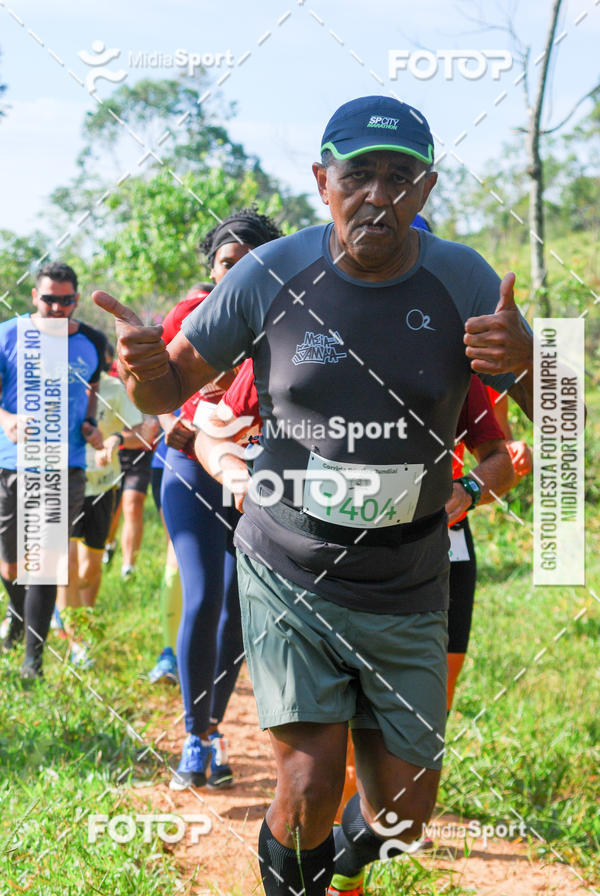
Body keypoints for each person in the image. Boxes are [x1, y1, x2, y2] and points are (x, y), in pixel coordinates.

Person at [96, 95, 534, 896]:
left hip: (409, 575)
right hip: (288, 561)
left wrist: (532, 361)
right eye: (358, 175)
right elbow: (166, 393)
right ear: (322, 181)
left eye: (400, 178)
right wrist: (143, 369)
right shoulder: (269, 274)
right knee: (307, 786)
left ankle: (334, 865)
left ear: (427, 188)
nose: (379, 196)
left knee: (403, 817)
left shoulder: (464, 278)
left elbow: (562, 424)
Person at [155, 212, 283, 790]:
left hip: (253, 477)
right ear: (212, 268)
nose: (237, 273)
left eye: (250, 262)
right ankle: (194, 735)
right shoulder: (189, 314)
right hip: (191, 468)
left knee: (238, 607)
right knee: (204, 596)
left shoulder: (287, 321)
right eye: (227, 263)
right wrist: (171, 422)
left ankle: (213, 726)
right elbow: (155, 388)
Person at [0, 261, 105, 679]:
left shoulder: (92, 341)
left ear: (76, 299)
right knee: (11, 567)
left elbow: (93, 388)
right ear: (34, 297)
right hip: (12, 463)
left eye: (66, 300)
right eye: (49, 299)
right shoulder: (8, 335)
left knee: (43, 564)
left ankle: (33, 663)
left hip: (65, 466)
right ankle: (18, 615)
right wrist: (7, 418)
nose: (58, 308)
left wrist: (90, 423)